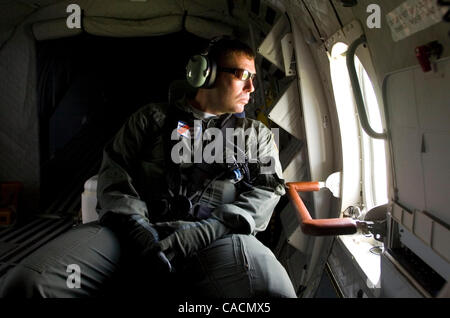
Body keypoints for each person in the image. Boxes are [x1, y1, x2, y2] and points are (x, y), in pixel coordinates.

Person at [0, 37, 296, 298]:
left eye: (254, 77)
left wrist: (211, 229)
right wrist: (137, 228)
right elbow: (114, 175)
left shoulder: (256, 135)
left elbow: (268, 189)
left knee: (272, 293)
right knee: (28, 285)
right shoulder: (150, 119)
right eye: (243, 74)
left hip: (218, 238)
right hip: (132, 235)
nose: (251, 86)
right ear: (205, 74)